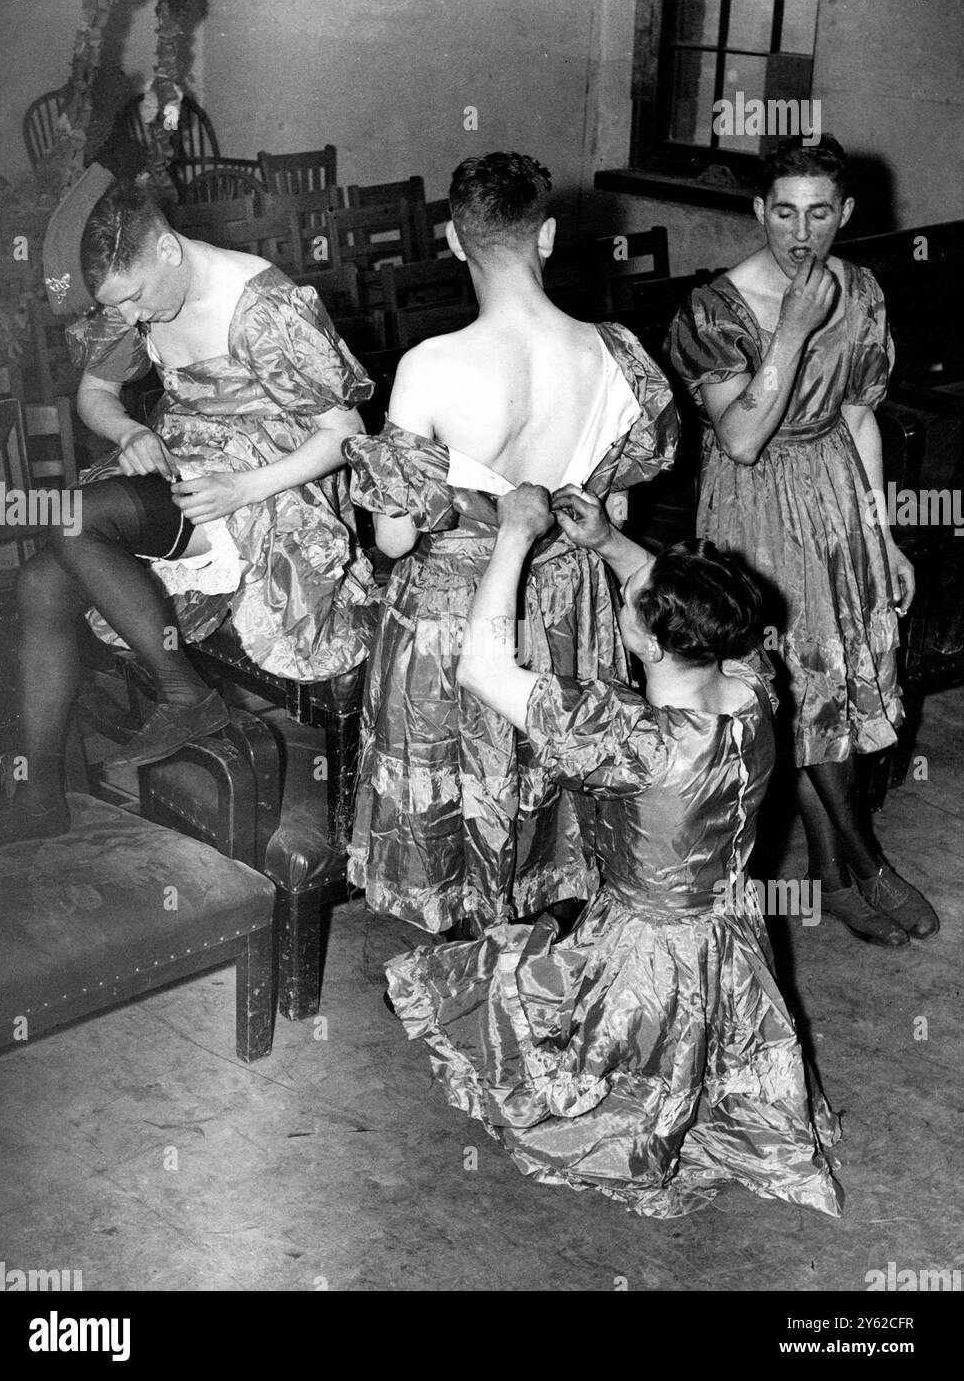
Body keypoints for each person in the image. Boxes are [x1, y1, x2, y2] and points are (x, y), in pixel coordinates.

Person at [385, 484, 842, 1218]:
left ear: (651, 643)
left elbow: (480, 671)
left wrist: (512, 537)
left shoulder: (631, 739)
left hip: (643, 948)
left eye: (635, 601)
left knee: (561, 1038)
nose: (627, 594)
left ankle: (629, 1133)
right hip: (727, 928)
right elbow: (674, 598)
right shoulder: (754, 685)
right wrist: (604, 541)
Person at [0, 167, 377, 850]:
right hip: (187, 464)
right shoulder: (136, 295)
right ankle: (43, 793)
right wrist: (132, 431)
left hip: (269, 487)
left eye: (132, 300)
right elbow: (94, 397)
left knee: (71, 517)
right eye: (119, 307)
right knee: (40, 579)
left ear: (165, 247)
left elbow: (349, 435)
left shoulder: (264, 307)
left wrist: (243, 488)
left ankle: (184, 694)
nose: (130, 318)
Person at [345, 152, 679, 934]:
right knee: (549, 761)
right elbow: (618, 505)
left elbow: (394, 538)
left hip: (459, 611)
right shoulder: (615, 354)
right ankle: (543, 933)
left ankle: (472, 947)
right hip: (569, 601)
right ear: (549, 236)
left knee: (460, 772)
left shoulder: (430, 367)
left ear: (455, 244)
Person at [666, 136, 938, 948]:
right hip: (752, 509)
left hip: (833, 500)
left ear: (844, 215)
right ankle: (864, 859)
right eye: (782, 210)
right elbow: (742, 437)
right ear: (757, 211)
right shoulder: (713, 309)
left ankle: (829, 877)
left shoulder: (860, 289)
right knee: (798, 689)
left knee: (835, 693)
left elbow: (858, 418)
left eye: (818, 212)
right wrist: (791, 326)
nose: (798, 230)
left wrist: (881, 534)